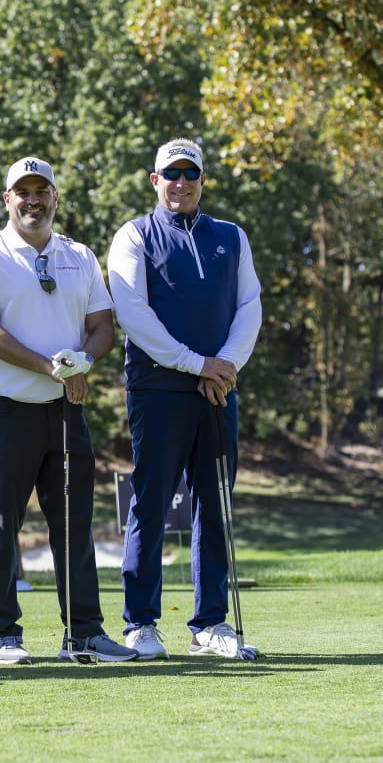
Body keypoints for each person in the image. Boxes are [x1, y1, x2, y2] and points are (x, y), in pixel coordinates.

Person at [0, 156, 136, 664]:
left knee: (75, 525)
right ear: (7, 199)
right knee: (0, 524)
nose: (33, 199)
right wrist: (52, 368)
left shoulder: (79, 255)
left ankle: (83, 634)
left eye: (42, 190)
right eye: (22, 191)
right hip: (4, 412)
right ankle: (5, 636)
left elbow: (102, 326)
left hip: (64, 414)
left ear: (56, 197)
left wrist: (83, 361)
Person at [106, 137, 262, 660]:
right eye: (170, 174)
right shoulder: (134, 235)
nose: (180, 183)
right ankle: (141, 623)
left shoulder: (232, 237)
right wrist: (198, 364)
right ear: (155, 181)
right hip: (159, 388)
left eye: (189, 174)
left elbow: (250, 306)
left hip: (219, 390)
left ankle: (210, 623)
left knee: (213, 504)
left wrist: (227, 366)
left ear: (202, 180)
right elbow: (132, 313)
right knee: (150, 503)